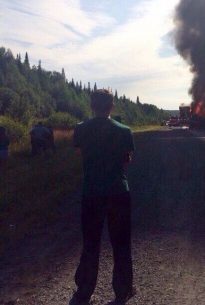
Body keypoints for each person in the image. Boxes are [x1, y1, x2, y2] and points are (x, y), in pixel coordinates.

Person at [70, 89, 136, 305]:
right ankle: (122, 290)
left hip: (92, 193)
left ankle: (84, 292)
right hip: (117, 191)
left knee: (91, 243)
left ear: (91, 106)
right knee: (120, 243)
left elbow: (81, 154)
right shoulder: (124, 131)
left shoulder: (80, 130)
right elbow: (125, 159)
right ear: (112, 106)